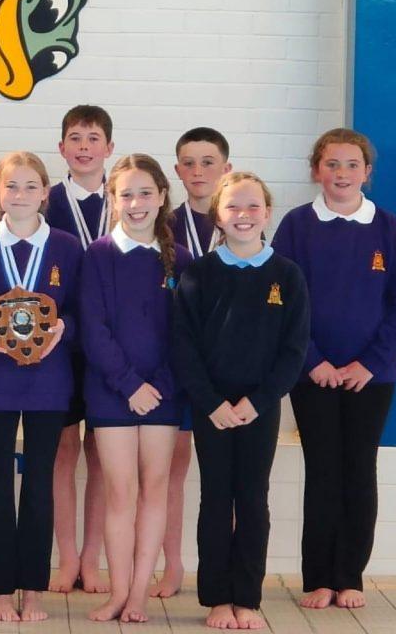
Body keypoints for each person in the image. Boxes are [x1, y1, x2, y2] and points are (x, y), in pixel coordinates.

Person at [272, 128, 396, 611]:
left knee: (358, 471)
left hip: (370, 379)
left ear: (367, 172)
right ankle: (318, 578)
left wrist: (368, 364)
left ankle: (349, 576)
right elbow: (281, 302)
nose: (341, 173)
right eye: (332, 163)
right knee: (322, 472)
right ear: (316, 170)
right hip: (311, 375)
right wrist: (313, 361)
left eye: (352, 164)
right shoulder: (296, 226)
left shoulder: (388, 229)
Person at [173, 172, 309, 630]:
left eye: (253, 206)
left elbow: (294, 350)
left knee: (252, 499)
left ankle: (247, 597)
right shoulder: (199, 273)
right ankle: (216, 598)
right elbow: (183, 345)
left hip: (259, 408)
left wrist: (260, 401)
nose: (243, 215)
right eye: (233, 207)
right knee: (215, 498)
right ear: (218, 215)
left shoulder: (287, 275)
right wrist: (211, 402)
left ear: (267, 213)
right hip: (211, 408)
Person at [0, 151, 80, 622]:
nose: (21, 194)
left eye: (31, 186)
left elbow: (81, 310)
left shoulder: (68, 248)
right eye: (11, 185)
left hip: (49, 381)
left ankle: (33, 589)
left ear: (45, 193)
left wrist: (64, 329)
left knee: (39, 484)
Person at [80, 155, 193, 623]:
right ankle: (119, 592)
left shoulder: (182, 259)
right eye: (125, 194)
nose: (136, 202)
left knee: (155, 490)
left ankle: (140, 594)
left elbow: (186, 334)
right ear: (112, 200)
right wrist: (129, 385)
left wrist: (158, 386)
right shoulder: (98, 255)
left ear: (163, 196)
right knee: (120, 493)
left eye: (145, 192)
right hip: (112, 392)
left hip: (164, 395)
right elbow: (93, 329)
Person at [154, 126, 233, 598]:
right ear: (177, 170)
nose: (198, 171)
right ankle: (173, 564)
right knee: (173, 473)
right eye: (188, 163)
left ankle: (229, 570)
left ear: (226, 167)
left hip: (229, 372)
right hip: (180, 368)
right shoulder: (163, 226)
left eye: (208, 162)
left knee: (232, 479)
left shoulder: (243, 220)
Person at [44, 104, 113, 593]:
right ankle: (66, 556)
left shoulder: (128, 198)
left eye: (93, 138)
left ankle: (93, 556)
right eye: (75, 138)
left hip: (113, 347)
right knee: (63, 451)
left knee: (104, 454)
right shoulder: (44, 200)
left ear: (109, 147)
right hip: (61, 346)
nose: (84, 147)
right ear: (62, 147)